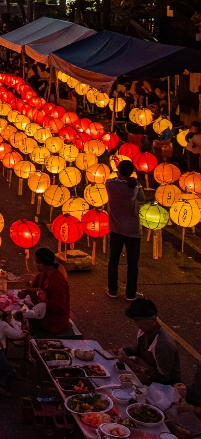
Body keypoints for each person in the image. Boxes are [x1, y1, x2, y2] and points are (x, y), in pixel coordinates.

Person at [106, 159, 146, 300]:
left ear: (118, 170)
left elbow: (114, 181)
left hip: (116, 228)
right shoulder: (135, 186)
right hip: (133, 230)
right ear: (131, 172)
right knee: (133, 264)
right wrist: (137, 184)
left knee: (113, 261)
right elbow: (142, 199)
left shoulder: (110, 184)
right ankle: (130, 294)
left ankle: (113, 290)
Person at [116, 298, 181, 385]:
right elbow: (140, 350)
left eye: (137, 321)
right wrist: (123, 351)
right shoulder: (144, 331)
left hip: (165, 383)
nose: (136, 324)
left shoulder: (163, 344)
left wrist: (130, 363)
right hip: (149, 369)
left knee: (124, 381)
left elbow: (163, 376)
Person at [18, 248, 72, 337]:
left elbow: (60, 307)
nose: (36, 264)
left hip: (54, 324)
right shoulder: (43, 275)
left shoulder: (57, 281)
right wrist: (27, 292)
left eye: (38, 262)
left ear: (45, 262)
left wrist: (45, 299)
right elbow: (36, 288)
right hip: (43, 316)